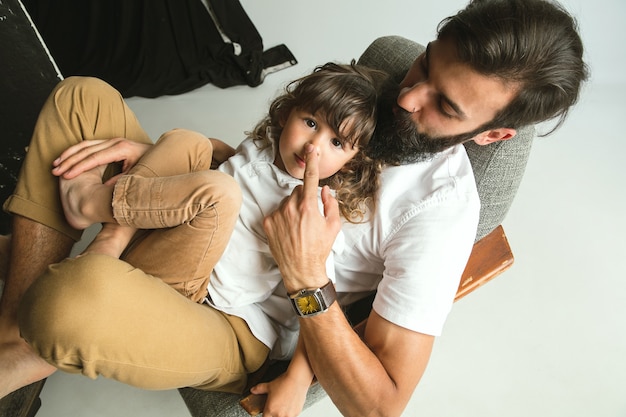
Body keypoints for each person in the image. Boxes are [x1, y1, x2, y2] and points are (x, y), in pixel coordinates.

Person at [0, 0, 588, 415]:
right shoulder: (375, 86)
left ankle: (29, 337)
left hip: (233, 316)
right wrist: (161, 154)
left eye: (445, 106)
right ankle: (19, 355)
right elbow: (264, 166)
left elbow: (381, 406)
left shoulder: (438, 217)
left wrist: (307, 277)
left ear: (492, 136)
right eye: (427, 65)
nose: (406, 96)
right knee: (84, 99)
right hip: (194, 219)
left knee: (71, 301)